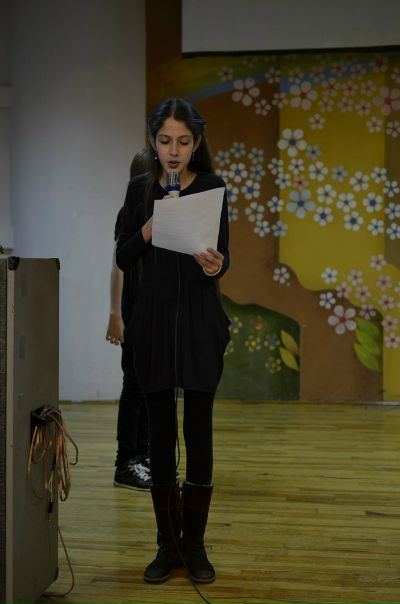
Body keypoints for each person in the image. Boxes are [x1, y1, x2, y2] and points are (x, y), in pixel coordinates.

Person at [116, 97, 230, 585]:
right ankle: (167, 545)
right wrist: (150, 227)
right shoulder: (139, 189)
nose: (174, 150)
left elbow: (224, 256)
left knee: (198, 434)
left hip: (201, 323)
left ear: (197, 143)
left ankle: (195, 545)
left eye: (184, 141)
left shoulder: (212, 187)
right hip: (153, 325)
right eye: (165, 141)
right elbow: (123, 257)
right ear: (153, 141)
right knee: (160, 436)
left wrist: (216, 264)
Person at [105, 149, 152, 491]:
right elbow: (118, 266)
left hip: (152, 310)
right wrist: (115, 315)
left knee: (150, 386)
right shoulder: (129, 214)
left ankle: (144, 455)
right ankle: (126, 462)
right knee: (134, 385)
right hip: (134, 309)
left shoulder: (159, 213)